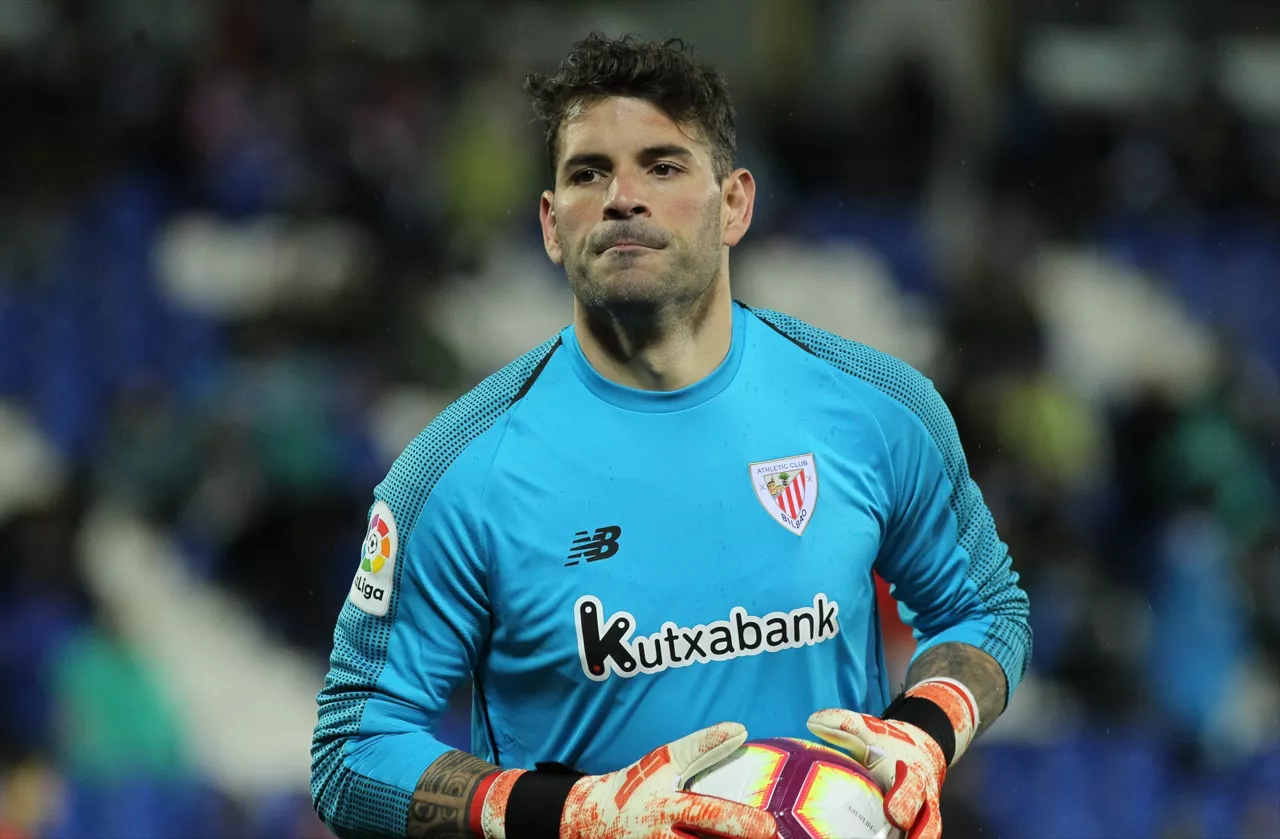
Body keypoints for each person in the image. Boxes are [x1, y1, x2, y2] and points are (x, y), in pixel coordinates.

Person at [311, 32, 1031, 839]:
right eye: (588, 172)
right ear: (551, 224)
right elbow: (352, 750)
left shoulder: (877, 411)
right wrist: (573, 812)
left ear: (735, 203)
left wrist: (924, 735)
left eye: (662, 165)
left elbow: (982, 609)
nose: (623, 196)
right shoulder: (457, 474)